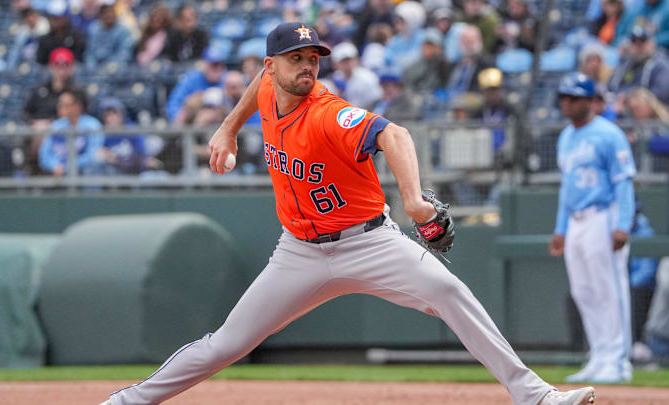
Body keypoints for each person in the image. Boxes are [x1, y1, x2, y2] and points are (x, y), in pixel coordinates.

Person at [100, 22, 596, 405]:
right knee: (226, 344)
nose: (308, 66)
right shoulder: (271, 89)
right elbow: (258, 84)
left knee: (450, 292)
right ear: (273, 65)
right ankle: (127, 400)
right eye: (296, 58)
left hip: (369, 242)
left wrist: (416, 200)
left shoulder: (327, 112)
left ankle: (534, 394)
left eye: (313, 57)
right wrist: (229, 127)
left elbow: (393, 134)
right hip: (297, 252)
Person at [549, 72, 636, 384]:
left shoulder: (609, 134)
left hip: (604, 214)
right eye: (564, 97)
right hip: (576, 220)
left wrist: (623, 224)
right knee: (584, 291)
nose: (566, 103)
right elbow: (567, 188)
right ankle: (599, 357)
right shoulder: (565, 137)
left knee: (609, 289)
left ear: (590, 101)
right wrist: (560, 229)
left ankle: (618, 361)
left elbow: (623, 182)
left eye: (573, 98)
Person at [39, 89, 104, 176]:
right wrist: (54, 165)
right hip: (58, 172)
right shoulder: (56, 126)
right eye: (60, 105)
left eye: (66, 105)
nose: (61, 108)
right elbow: (44, 154)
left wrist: (68, 166)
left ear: (78, 106)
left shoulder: (92, 125)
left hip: (83, 171)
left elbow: (95, 154)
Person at [607, 24, 669, 104]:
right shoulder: (626, 62)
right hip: (618, 105)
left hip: (647, 111)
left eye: (643, 41)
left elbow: (661, 94)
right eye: (634, 41)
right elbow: (611, 86)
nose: (639, 45)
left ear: (652, 43)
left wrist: (628, 99)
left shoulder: (661, 64)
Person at [165, 45, 227, 124]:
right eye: (213, 65)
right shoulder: (192, 79)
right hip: (191, 124)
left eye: (219, 65)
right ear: (204, 65)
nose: (217, 69)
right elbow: (173, 104)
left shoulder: (227, 79)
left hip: (221, 124)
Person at [330, 42, 382, 109]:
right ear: (335, 64)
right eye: (343, 61)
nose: (348, 64)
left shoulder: (368, 78)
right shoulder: (336, 77)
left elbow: (377, 100)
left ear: (356, 59)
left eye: (350, 60)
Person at [85, 4, 134, 70]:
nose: (108, 15)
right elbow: (90, 53)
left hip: (115, 68)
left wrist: (110, 66)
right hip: (96, 68)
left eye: (111, 12)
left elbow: (124, 54)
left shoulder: (124, 31)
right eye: (105, 13)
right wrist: (92, 68)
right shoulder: (94, 29)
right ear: (100, 16)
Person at [36, 0, 87, 65]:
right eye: (50, 17)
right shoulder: (44, 39)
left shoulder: (78, 36)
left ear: (66, 18)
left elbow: (80, 61)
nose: (53, 21)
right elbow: (41, 63)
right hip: (50, 74)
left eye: (56, 18)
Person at [134, 2, 172, 67]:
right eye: (155, 16)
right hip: (140, 68)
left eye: (161, 17)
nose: (157, 19)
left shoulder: (169, 35)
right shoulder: (144, 34)